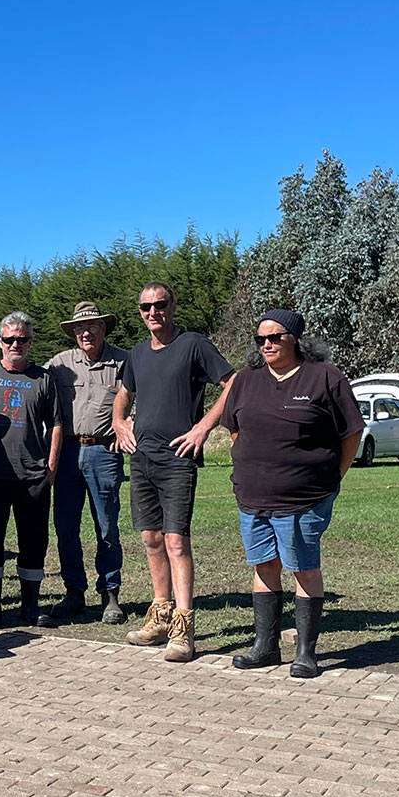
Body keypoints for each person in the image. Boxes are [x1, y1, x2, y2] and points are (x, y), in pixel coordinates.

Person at [221, 309, 364, 678]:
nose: (266, 344)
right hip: (252, 496)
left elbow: (351, 432)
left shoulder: (325, 377)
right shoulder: (246, 380)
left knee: (303, 567)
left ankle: (305, 653)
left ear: (296, 339)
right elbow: (235, 429)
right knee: (264, 566)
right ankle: (265, 647)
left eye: (275, 337)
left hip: (304, 497)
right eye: (260, 339)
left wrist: (335, 475)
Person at [112, 283, 234, 662]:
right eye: (146, 306)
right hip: (142, 457)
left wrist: (204, 427)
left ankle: (184, 628)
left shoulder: (193, 344)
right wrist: (119, 422)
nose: (153, 312)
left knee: (176, 540)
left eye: (160, 304)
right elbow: (124, 392)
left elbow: (233, 383)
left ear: (172, 306)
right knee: (150, 538)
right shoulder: (136, 354)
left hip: (178, 459)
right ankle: (161, 615)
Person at [0, 311, 61, 627]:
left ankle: (30, 607)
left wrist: (52, 464)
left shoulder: (44, 378)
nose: (15, 344)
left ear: (30, 342)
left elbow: (56, 424)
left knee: (33, 543)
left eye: (21, 339)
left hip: (33, 475)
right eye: (9, 339)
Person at [43, 302, 128, 626]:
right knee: (65, 527)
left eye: (92, 326)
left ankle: (110, 595)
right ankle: (73, 592)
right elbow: (28, 380)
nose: (87, 333)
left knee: (107, 527)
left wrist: (130, 422)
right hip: (66, 454)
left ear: (104, 329)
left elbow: (143, 397)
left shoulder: (123, 362)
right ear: (74, 333)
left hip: (104, 451)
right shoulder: (60, 364)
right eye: (80, 329)